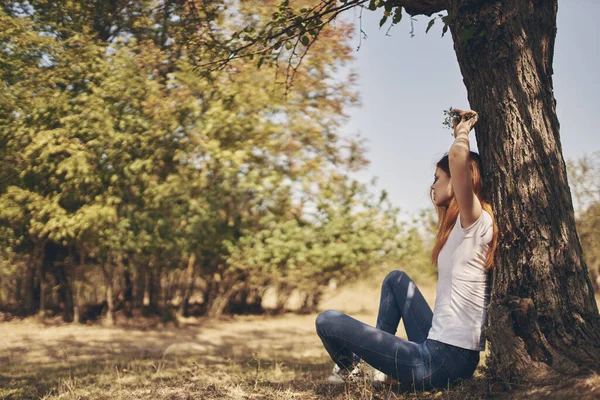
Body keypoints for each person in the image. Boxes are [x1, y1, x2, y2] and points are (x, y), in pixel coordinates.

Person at [315, 109, 498, 389]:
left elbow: (458, 158)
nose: (432, 185)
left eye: (438, 177)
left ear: (458, 180)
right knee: (396, 279)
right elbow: (456, 164)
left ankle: (352, 368)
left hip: (442, 361)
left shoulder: (475, 219)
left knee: (327, 321)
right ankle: (371, 368)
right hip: (441, 347)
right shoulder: (458, 228)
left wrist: (462, 131)